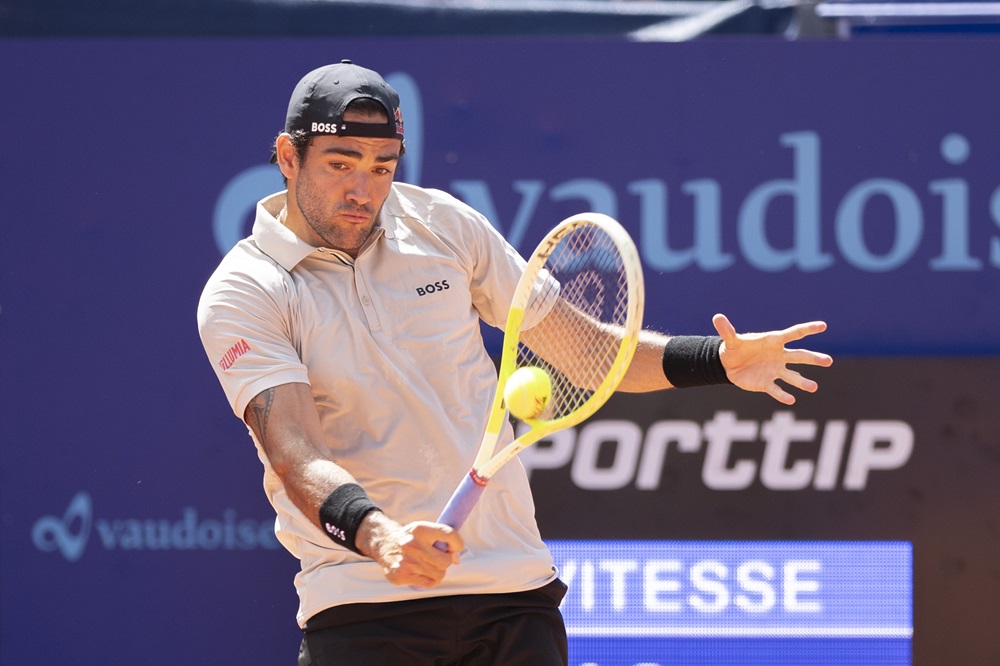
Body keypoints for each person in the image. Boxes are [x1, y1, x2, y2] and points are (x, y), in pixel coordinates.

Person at [197, 60, 833, 665]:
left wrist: (718, 360)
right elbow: (295, 452)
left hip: (513, 595)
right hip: (362, 603)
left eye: (382, 167)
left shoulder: (443, 226)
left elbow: (587, 352)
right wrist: (381, 537)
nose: (363, 190)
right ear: (287, 156)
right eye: (341, 164)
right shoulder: (245, 291)